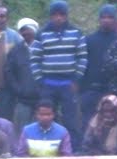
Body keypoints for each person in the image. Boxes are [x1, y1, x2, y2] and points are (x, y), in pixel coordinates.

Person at [30, 0, 88, 132]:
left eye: (61, 14)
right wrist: (40, 80)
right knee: (47, 116)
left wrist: (76, 79)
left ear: (66, 16)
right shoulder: (42, 34)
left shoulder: (76, 33)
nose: (58, 18)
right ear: (50, 16)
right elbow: (35, 59)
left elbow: (82, 58)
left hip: (68, 82)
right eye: (55, 15)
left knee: (71, 118)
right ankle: (50, 144)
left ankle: (72, 147)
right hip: (48, 82)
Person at [79, 6, 117, 136]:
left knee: (112, 123)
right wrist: (82, 89)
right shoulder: (89, 40)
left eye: (110, 17)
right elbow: (82, 64)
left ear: (115, 20)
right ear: (99, 19)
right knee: (88, 122)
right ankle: (86, 149)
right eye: (104, 17)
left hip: (113, 89)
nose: (106, 20)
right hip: (91, 89)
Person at [6, 19, 41, 135]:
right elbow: (9, 73)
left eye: (28, 29)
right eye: (22, 30)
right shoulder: (15, 51)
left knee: (40, 130)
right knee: (21, 132)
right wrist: (18, 90)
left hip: (42, 99)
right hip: (23, 99)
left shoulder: (44, 48)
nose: (25, 33)